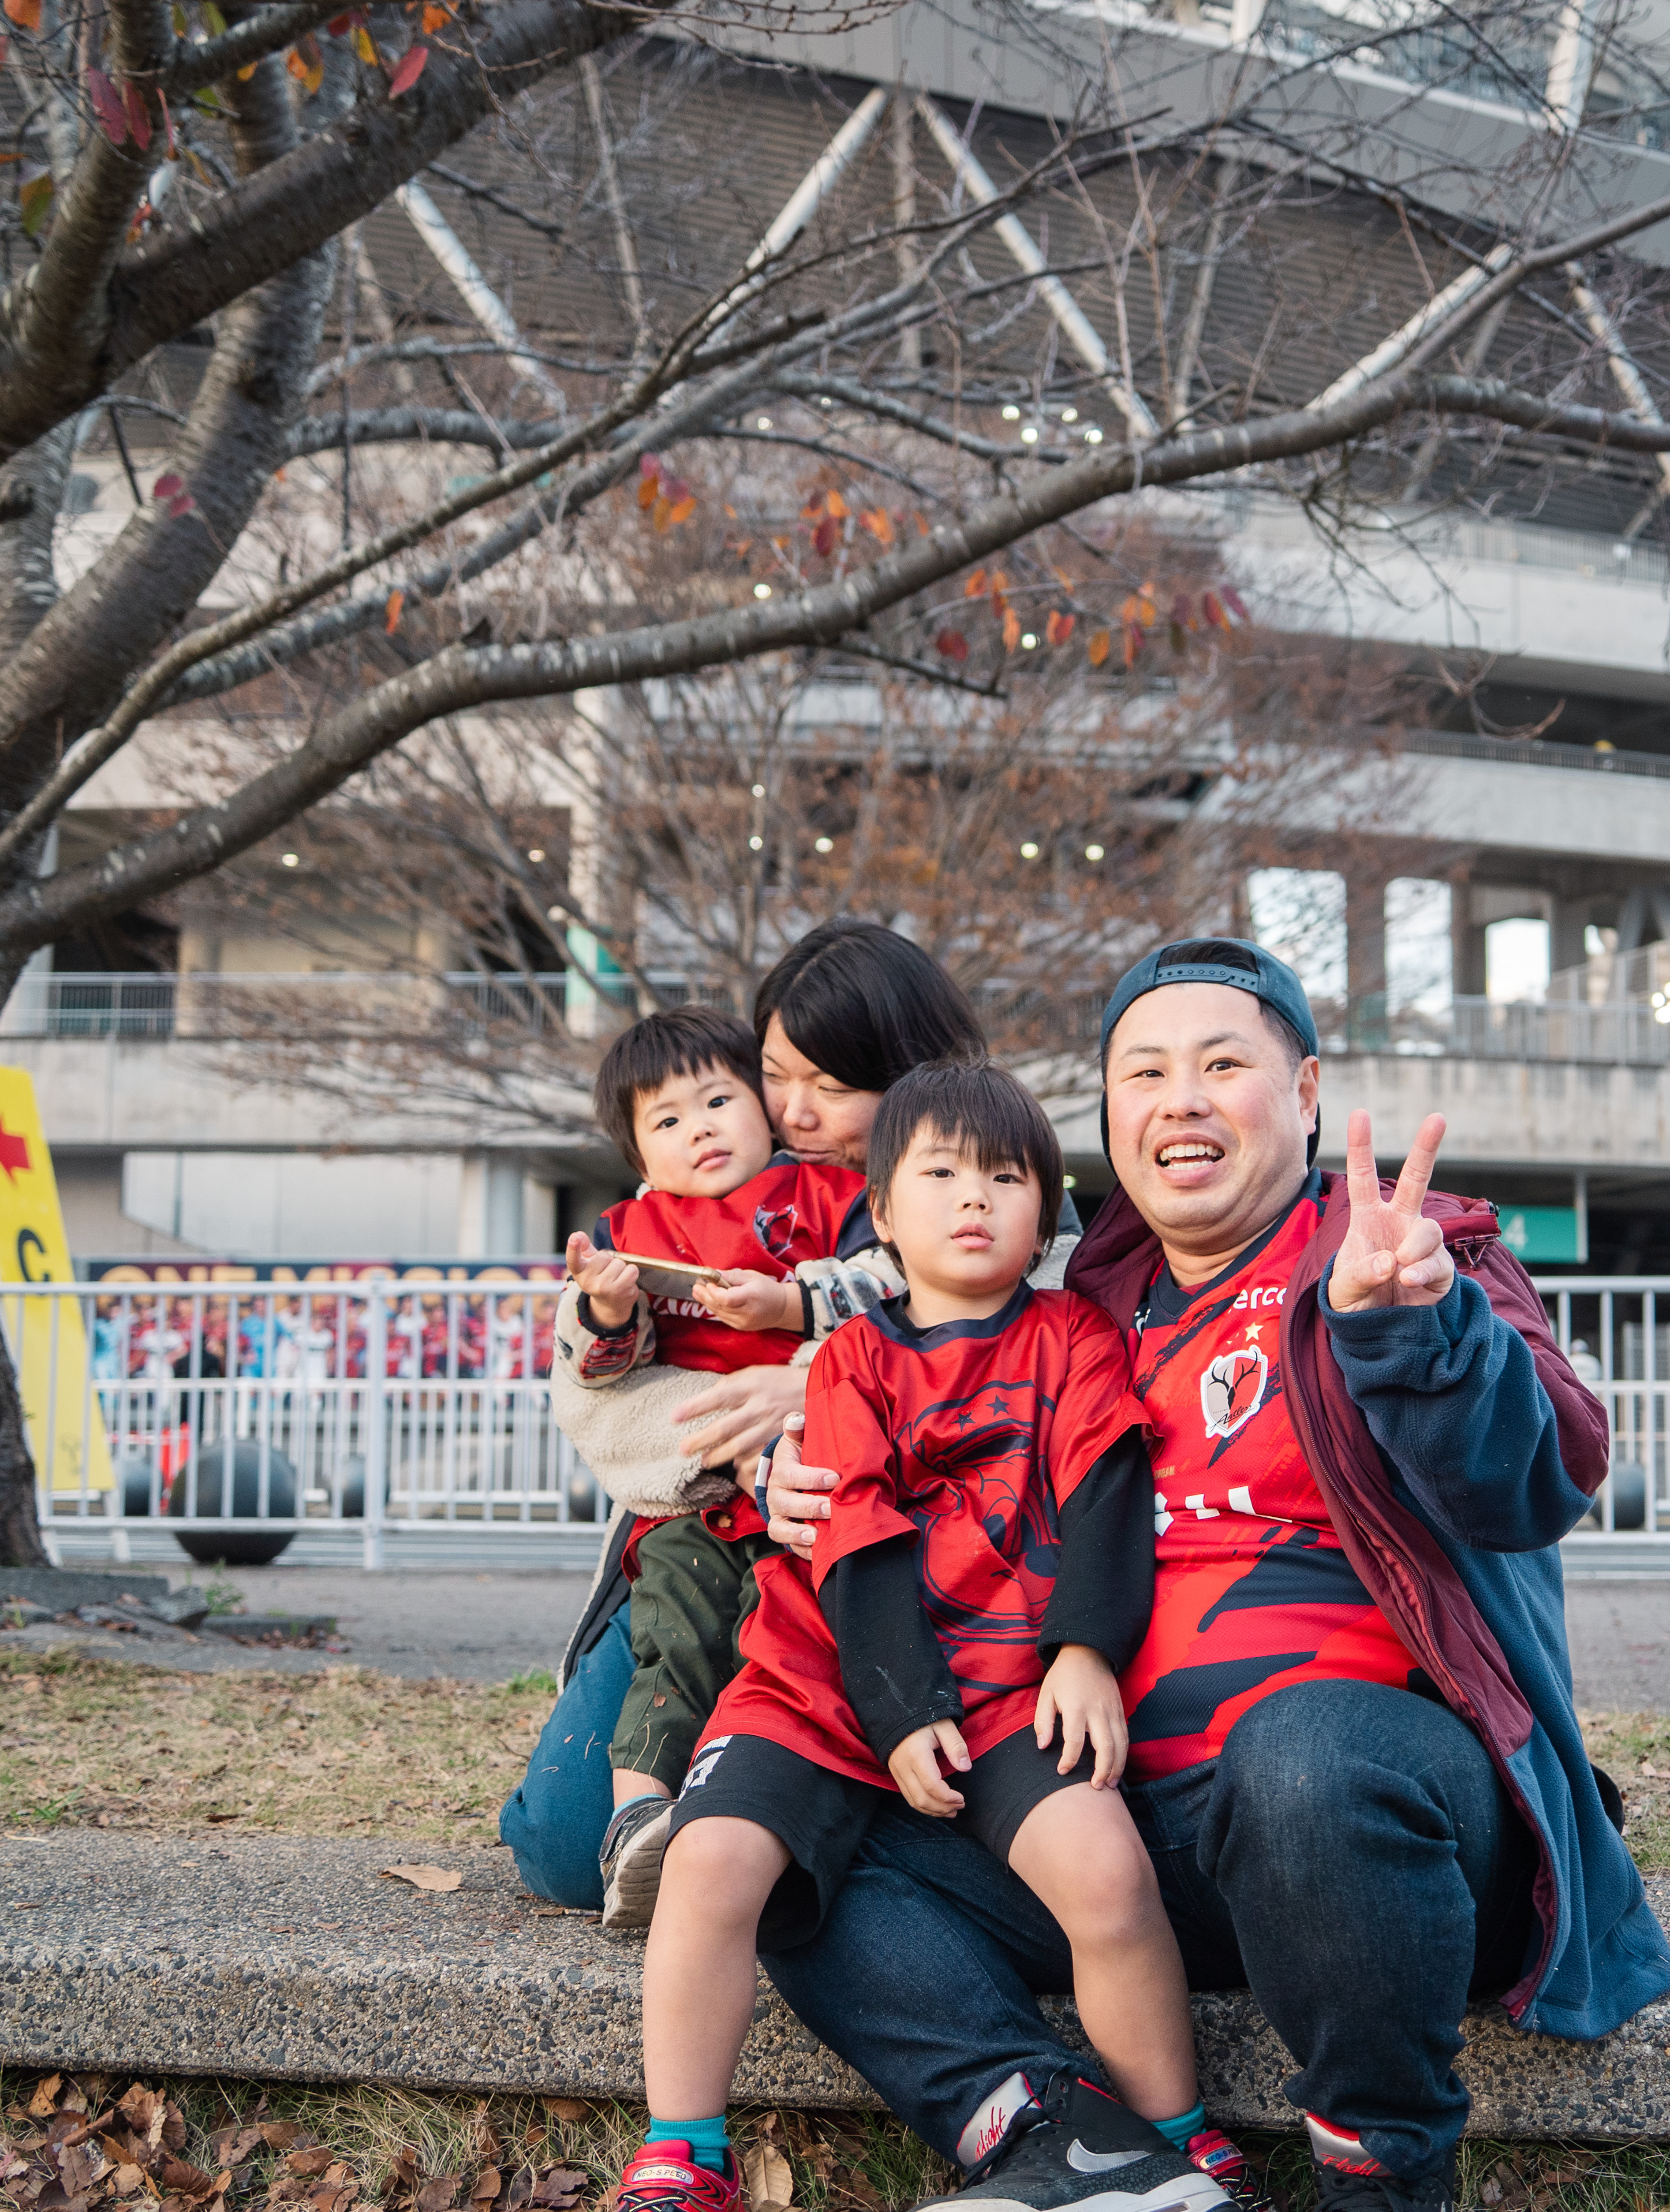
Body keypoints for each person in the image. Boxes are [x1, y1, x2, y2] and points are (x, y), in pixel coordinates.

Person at [756, 939, 1670, 2212]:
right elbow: (918, 1448)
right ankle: (1074, 2150)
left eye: (1221, 1063)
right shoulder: (1083, 1312)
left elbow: (1535, 1477)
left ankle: (1386, 2177)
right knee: (796, 1854)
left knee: (1302, 1761)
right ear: (1112, 1119)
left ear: (1301, 1092)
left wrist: (1414, 1333)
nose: (1178, 1097)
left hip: (1375, 1827)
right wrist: (787, 1479)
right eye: (1143, 1071)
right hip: (1127, 1827)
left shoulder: (1400, 1255)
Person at [610, 1060, 1228, 2212]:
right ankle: (683, 2149)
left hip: (1008, 1684)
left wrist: (1084, 1653)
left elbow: (1104, 1498)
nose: (975, 1197)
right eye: (939, 1173)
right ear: (880, 1210)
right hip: (822, 1679)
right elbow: (859, 1542)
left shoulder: (1073, 1338)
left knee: (1106, 1874)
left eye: (1006, 1175)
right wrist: (898, 1714)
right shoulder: (849, 1359)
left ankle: (1173, 2141)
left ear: (1047, 1209)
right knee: (709, 1861)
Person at [502, 922, 1016, 1910]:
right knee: (560, 1841)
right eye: (776, 1073)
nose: (794, 1109)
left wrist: (817, 1382)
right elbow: (595, 1395)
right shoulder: (714, 1188)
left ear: (911, 1075)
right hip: (705, 1515)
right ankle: (659, 1817)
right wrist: (727, 1427)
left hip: (886, 1555)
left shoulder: (991, 1188)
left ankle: (758, 1835)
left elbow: (984, 1347)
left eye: (831, 1084)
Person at [556, 1006, 869, 1930]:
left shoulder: (817, 1194)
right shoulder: (630, 1232)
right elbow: (604, 1369)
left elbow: (880, 1299)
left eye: (718, 1099)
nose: (699, 1127)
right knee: (674, 1638)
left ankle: (735, 1816)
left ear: (762, 1107)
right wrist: (607, 1314)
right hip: (692, 1508)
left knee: (775, 1649)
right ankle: (634, 1821)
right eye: (666, 1120)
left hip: (805, 1485)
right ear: (637, 1155)